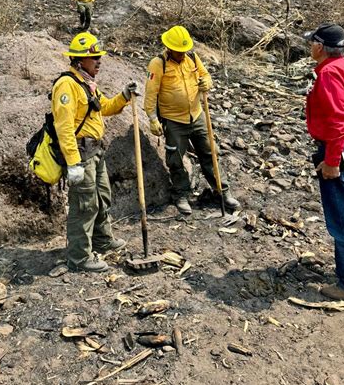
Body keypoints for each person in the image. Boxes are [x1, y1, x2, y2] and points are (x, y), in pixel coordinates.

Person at [52, 32, 137, 272]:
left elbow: (106, 107)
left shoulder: (87, 83)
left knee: (101, 197)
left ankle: (102, 239)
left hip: (96, 151)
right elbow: (64, 127)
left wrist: (124, 96)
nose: (99, 61)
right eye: (95, 58)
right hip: (81, 153)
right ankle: (79, 257)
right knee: (84, 205)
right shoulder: (66, 85)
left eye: (99, 57)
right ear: (79, 61)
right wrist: (73, 163)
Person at [144, 25, 240, 215]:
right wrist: (152, 118)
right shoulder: (158, 64)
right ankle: (181, 194)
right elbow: (151, 92)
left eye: (184, 51)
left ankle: (222, 191)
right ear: (169, 48)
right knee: (175, 159)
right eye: (178, 52)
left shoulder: (192, 58)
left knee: (210, 152)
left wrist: (207, 82)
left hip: (196, 115)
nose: (182, 54)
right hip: (173, 120)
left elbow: (205, 75)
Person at [304, 23, 344, 300]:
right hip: (343, 146)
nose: (310, 47)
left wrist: (332, 161)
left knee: (342, 218)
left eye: (312, 43)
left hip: (340, 150)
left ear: (320, 47)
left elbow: (339, 121)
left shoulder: (330, 73)